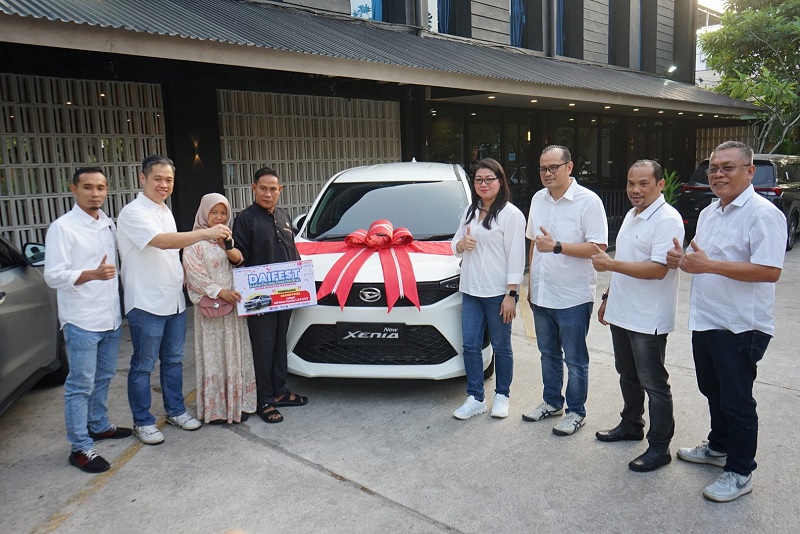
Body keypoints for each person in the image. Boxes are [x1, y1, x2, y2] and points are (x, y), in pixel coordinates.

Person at [667, 141, 786, 502]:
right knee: (712, 390)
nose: (717, 174)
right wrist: (681, 259)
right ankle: (718, 448)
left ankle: (740, 470)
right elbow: (698, 256)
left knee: (737, 400)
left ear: (749, 171)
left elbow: (770, 271)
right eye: (713, 168)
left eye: (727, 167)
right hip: (707, 319)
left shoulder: (763, 214)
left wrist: (709, 265)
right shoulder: (710, 212)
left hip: (741, 326)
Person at [117, 155, 232, 445]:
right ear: (142, 178)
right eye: (158, 178)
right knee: (143, 365)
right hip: (145, 302)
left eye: (168, 179)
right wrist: (204, 233)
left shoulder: (164, 210)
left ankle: (175, 411)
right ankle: (142, 421)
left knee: (173, 362)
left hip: (173, 301)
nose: (164, 184)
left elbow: (172, 251)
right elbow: (162, 241)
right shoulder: (133, 212)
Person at [591, 160, 684, 472]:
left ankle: (660, 448)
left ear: (661, 185)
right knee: (627, 374)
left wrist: (611, 266)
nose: (635, 190)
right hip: (623, 311)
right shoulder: (633, 214)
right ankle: (631, 425)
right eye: (631, 183)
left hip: (648, 318)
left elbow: (659, 270)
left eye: (644, 183)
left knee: (654, 383)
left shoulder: (667, 219)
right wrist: (608, 298)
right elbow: (625, 259)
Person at [44, 167, 130, 473]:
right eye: (88, 187)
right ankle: (80, 447)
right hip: (81, 319)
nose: (95, 193)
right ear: (74, 189)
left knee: (104, 377)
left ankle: (99, 425)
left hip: (109, 317)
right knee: (80, 384)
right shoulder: (63, 228)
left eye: (101, 187)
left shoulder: (107, 223)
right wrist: (91, 274)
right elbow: (53, 275)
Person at [523, 145, 608, 436]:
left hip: (573, 296)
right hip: (542, 293)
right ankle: (551, 402)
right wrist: (531, 285)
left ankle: (576, 411)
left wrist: (558, 246)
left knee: (575, 358)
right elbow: (534, 243)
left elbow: (598, 249)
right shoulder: (538, 199)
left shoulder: (588, 201)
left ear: (569, 167)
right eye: (543, 168)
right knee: (547, 353)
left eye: (553, 167)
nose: (547, 173)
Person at [451, 158, 526, 420]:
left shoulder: (512, 215)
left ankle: (502, 396)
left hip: (497, 293)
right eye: (479, 180)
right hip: (471, 290)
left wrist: (511, 295)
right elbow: (454, 243)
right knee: (470, 345)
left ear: (500, 181)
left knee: (501, 346)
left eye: (489, 179)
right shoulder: (471, 211)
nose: (483, 184)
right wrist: (461, 245)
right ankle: (475, 398)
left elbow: (517, 258)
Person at [232, 166, 307, 424]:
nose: (267, 193)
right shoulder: (245, 219)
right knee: (262, 347)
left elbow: (293, 253)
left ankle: (279, 391)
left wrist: (302, 286)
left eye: (272, 189)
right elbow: (239, 256)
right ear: (253, 188)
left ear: (280, 190)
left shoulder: (284, 216)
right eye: (262, 188)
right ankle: (263, 399)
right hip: (259, 298)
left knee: (278, 345)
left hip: (286, 295)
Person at [183, 193, 257, 424]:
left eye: (223, 213)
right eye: (213, 212)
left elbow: (240, 260)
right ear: (204, 213)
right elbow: (194, 276)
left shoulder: (228, 237)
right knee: (214, 356)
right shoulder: (194, 242)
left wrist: (226, 246)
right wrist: (221, 292)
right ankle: (216, 410)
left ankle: (239, 404)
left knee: (236, 353)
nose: (218, 217)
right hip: (212, 310)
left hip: (233, 309)